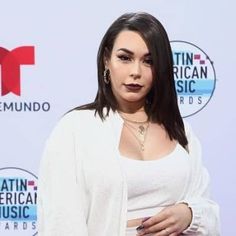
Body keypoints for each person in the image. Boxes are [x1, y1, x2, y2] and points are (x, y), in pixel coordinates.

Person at [37, 12, 220, 236]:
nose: (136, 72)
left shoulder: (180, 130)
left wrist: (190, 214)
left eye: (148, 61)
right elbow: (61, 221)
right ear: (107, 60)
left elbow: (207, 206)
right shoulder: (74, 129)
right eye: (125, 58)